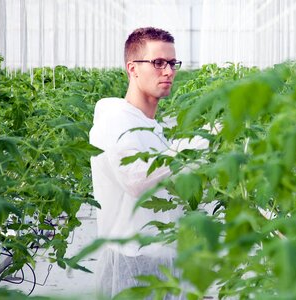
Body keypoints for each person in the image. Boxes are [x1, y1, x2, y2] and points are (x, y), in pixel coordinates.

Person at [89, 27, 185, 299]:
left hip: (157, 260)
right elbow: (136, 179)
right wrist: (195, 148)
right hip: (130, 267)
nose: (168, 71)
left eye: (172, 63)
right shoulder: (116, 121)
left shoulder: (149, 125)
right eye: (158, 63)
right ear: (132, 68)